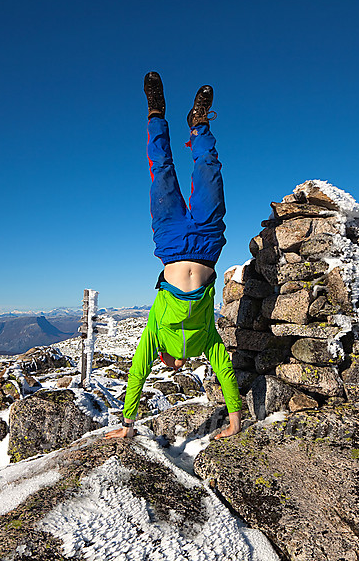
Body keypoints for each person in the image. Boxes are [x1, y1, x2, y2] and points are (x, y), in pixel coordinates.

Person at [105, 72, 242, 440]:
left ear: (164, 360)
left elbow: (137, 373)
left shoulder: (154, 336)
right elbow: (226, 372)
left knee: (161, 172)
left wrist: (126, 424)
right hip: (208, 244)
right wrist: (234, 420)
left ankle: (155, 113)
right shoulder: (207, 342)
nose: (174, 365)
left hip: (169, 244)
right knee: (209, 170)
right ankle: (198, 124)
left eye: (168, 365)